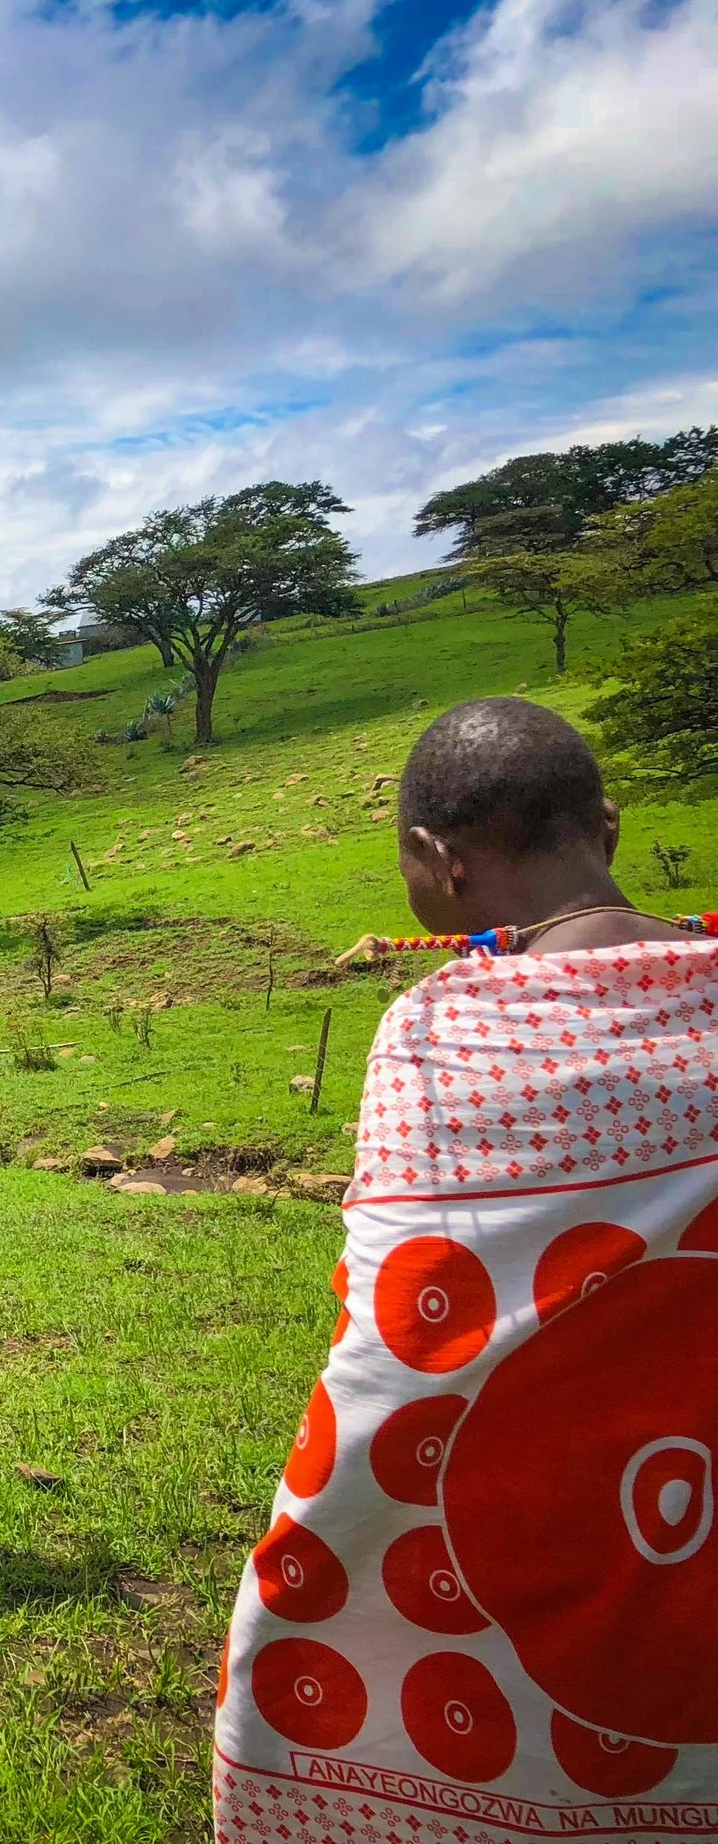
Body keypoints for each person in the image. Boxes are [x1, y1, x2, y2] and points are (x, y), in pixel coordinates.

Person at [214, 697, 718, 1842]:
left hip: (513, 1533)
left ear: (436, 862)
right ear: (612, 826)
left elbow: (404, 1339)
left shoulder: (437, 1035)